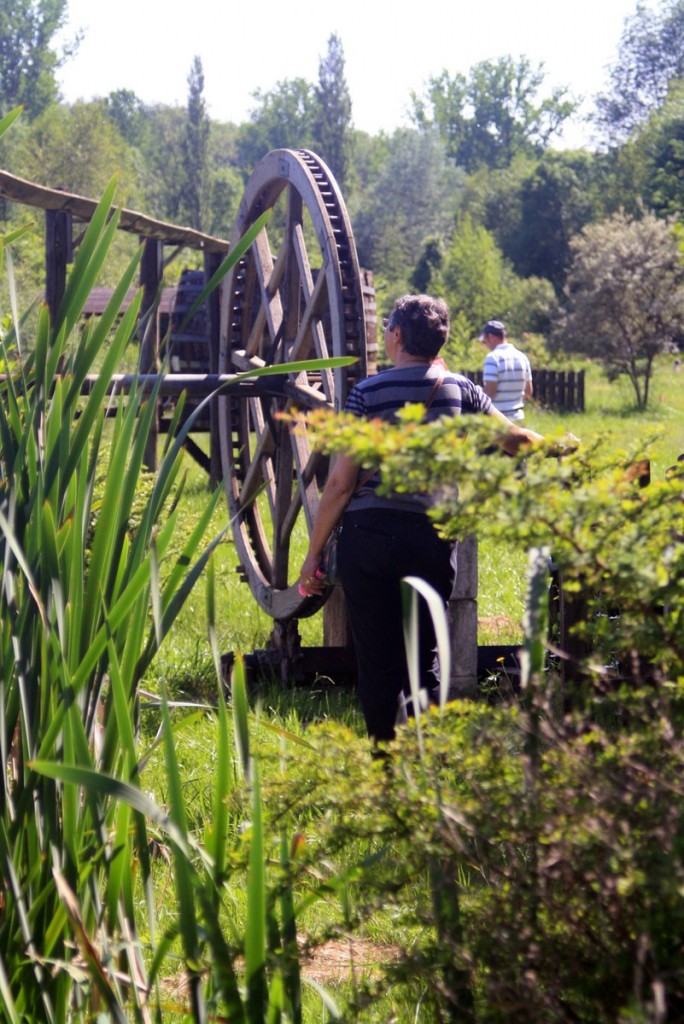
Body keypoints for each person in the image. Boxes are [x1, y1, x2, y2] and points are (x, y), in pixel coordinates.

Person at [298, 295, 544, 745]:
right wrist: (561, 446)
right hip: (429, 539)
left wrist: (312, 556)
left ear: (396, 336)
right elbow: (515, 440)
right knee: (425, 653)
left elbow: (339, 485)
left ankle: (384, 762)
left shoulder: (366, 393)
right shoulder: (460, 390)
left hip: (368, 538)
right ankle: (424, 761)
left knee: (376, 660)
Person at [480, 320, 533, 422]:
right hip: (518, 418)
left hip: (498, 419)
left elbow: (490, 393)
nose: (485, 344)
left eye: (484, 340)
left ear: (490, 337)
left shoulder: (492, 358)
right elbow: (528, 392)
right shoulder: (522, 357)